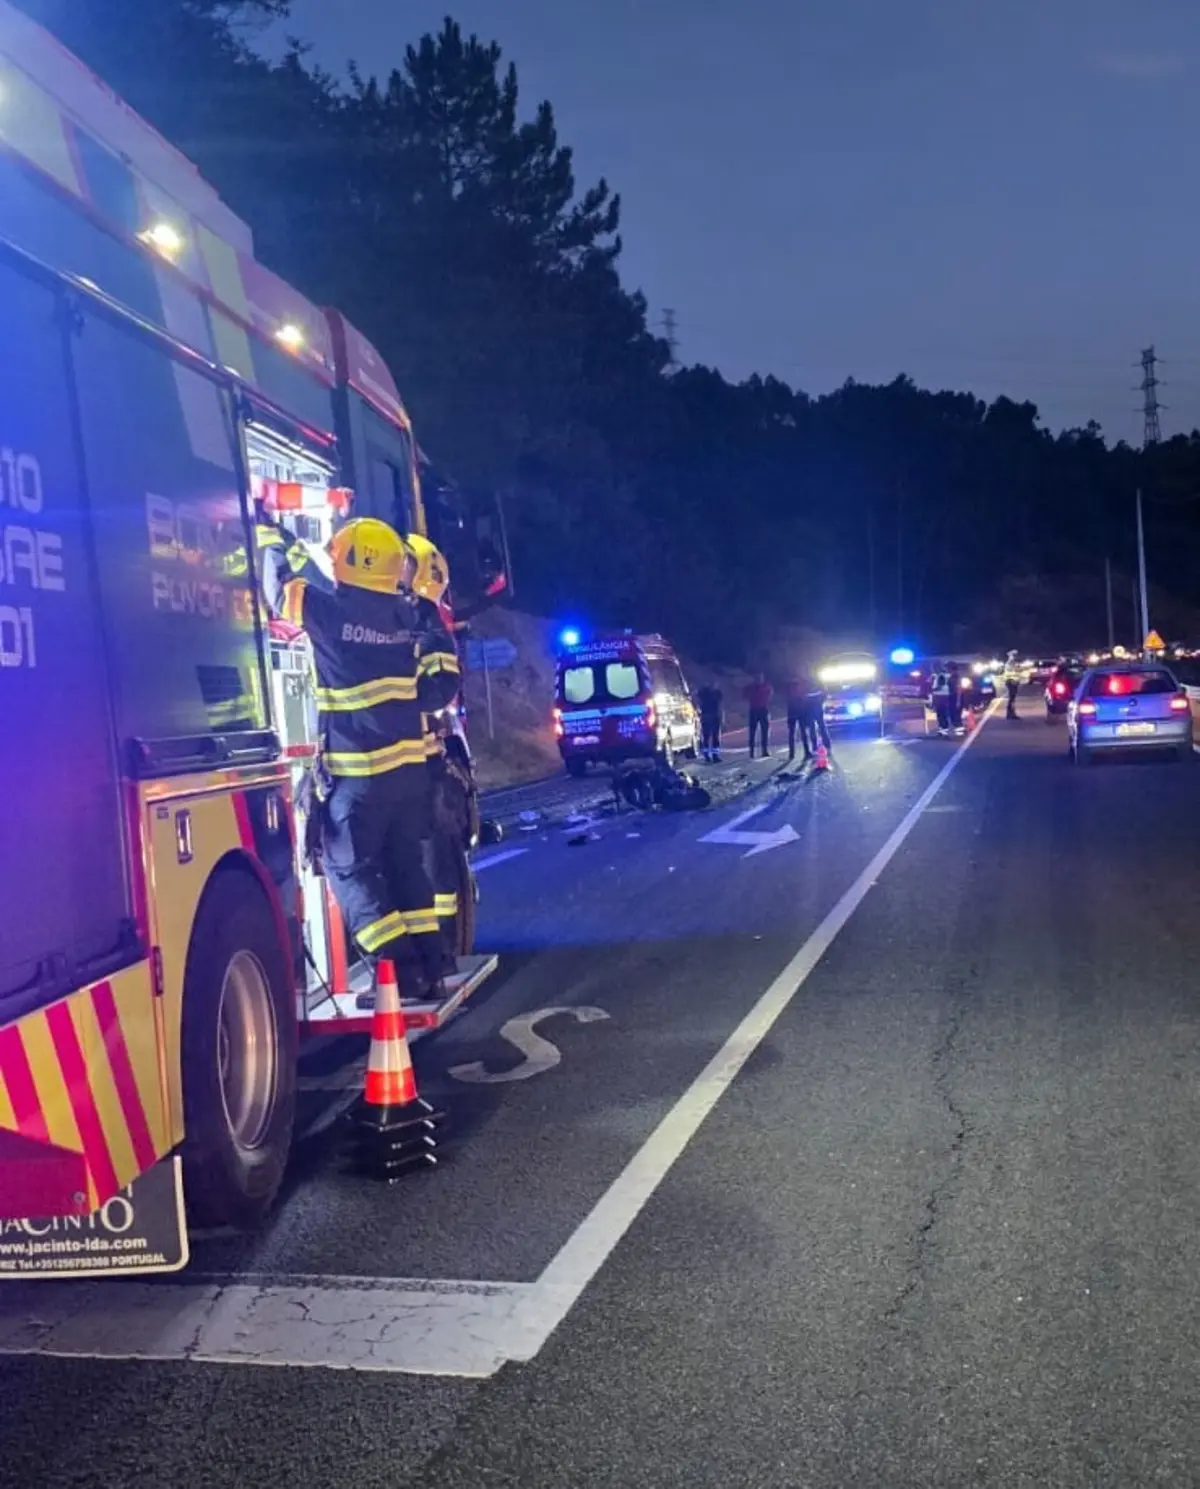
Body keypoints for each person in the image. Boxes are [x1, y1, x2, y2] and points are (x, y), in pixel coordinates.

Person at [257, 515, 461, 1003]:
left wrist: (267, 533)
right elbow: (438, 684)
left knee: (351, 873)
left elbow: (279, 587)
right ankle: (430, 966)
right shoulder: (406, 616)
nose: (331, 559)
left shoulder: (330, 611)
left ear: (351, 561)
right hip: (410, 776)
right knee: (406, 865)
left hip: (359, 780)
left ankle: (399, 975)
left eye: (338, 553)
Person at [405, 532, 470, 975]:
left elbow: (440, 691)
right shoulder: (404, 623)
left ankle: (439, 953)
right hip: (406, 768)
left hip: (422, 769)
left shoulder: (429, 632)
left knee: (433, 865)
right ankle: (431, 953)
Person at [786, 671, 815, 761]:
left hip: (794, 712)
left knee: (794, 733)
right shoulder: (800, 686)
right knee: (801, 733)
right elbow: (804, 697)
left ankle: (792, 754)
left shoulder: (788, 687)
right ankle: (805, 752)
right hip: (799, 711)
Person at [744, 672, 773, 758]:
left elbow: (770, 695)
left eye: (760, 677)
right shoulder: (750, 687)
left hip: (763, 709)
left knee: (765, 731)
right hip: (754, 710)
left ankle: (764, 750)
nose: (759, 679)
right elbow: (745, 696)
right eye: (757, 677)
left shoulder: (766, 686)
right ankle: (752, 752)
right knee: (752, 732)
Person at [696, 682, 724, 761]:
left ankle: (707, 755)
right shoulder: (716, 692)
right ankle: (715, 756)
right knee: (714, 737)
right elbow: (720, 706)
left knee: (706, 737)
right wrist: (722, 717)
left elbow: (697, 702)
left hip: (706, 716)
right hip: (713, 716)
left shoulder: (702, 692)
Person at [929, 662, 953, 736]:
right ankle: (942, 731)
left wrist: (932, 690)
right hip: (942, 697)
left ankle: (944, 731)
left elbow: (940, 686)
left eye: (933, 668)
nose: (932, 670)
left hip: (941, 697)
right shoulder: (940, 675)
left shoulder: (941, 675)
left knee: (941, 715)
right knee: (941, 715)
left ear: (937, 668)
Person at [946, 660, 966, 736]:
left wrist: (958, 701)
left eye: (948, 668)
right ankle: (961, 731)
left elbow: (959, 689)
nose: (947, 670)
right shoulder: (951, 676)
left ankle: (960, 732)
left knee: (955, 716)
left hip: (956, 697)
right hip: (953, 697)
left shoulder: (955, 677)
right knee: (953, 715)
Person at [1003, 650, 1022, 719]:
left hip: (1013, 682)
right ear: (1011, 656)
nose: (1016, 656)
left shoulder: (1013, 663)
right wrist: (1014, 680)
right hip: (1011, 682)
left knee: (1012, 699)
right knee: (1011, 699)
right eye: (1014, 655)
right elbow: (1011, 673)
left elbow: (1017, 672)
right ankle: (1010, 714)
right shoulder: (1010, 663)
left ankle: (1011, 713)